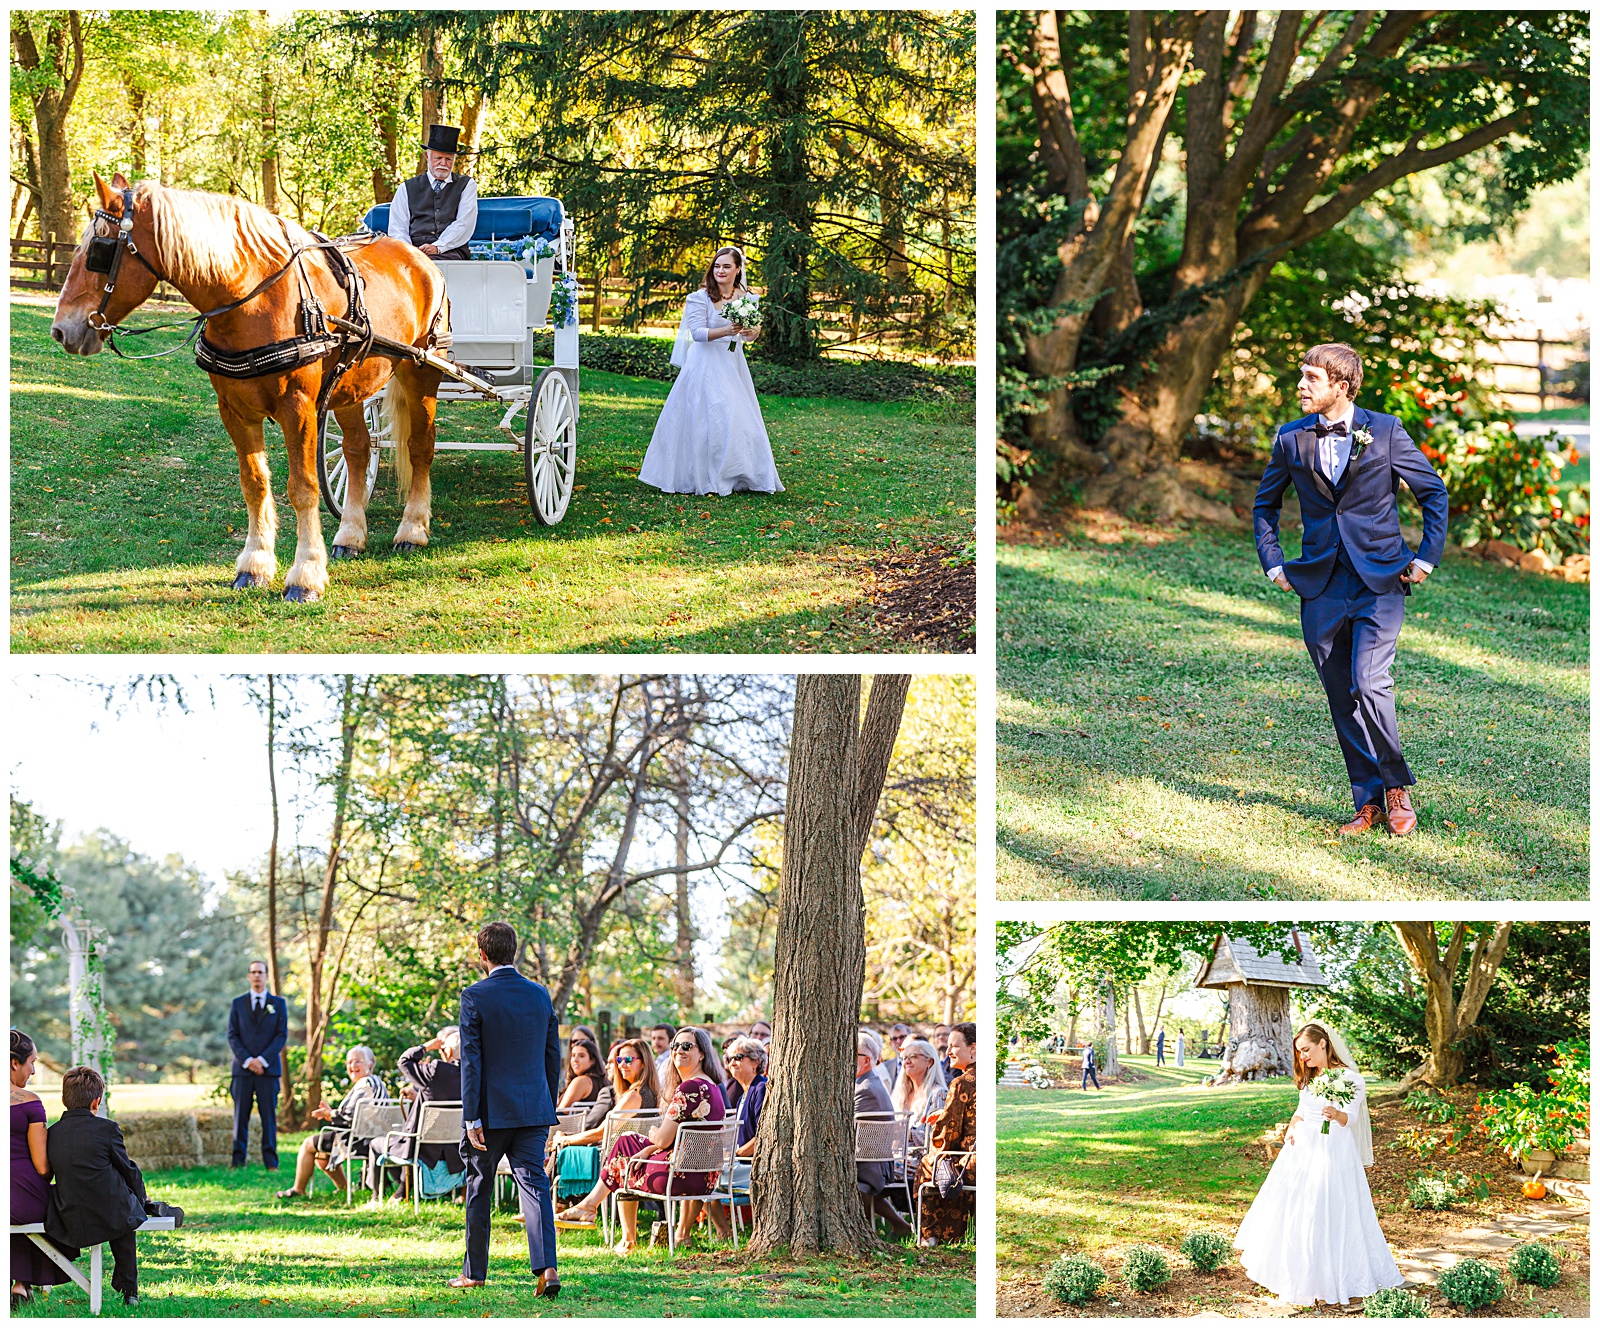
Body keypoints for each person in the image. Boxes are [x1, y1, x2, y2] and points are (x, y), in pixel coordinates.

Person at [1254, 342, 1448, 839]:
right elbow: (1265, 506)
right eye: (1301, 375)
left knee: (1369, 681)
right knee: (1342, 696)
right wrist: (1274, 564)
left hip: (1380, 580)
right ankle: (1368, 802)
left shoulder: (1384, 430)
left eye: (1311, 378)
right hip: (1319, 584)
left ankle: (1397, 789)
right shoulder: (1291, 437)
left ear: (1340, 387)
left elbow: (1432, 492)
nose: (1300, 385)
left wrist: (1425, 558)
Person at [1234, 1023, 1405, 1306]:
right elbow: (1301, 1110)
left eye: (1306, 1050)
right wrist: (1292, 1126)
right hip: (1303, 1151)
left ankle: (1341, 1278)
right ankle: (1301, 1277)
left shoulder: (1351, 1078)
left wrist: (1336, 1114)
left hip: (1334, 1152)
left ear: (1323, 1044)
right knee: (1300, 1210)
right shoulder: (1312, 1078)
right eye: (1299, 1052)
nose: (1303, 1057)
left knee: (1332, 1209)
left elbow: (1350, 1119)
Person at [454, 921, 563, 1296]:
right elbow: (553, 1056)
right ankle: (547, 1269)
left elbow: (471, 1061)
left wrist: (472, 1117)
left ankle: (475, 1273)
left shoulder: (474, 996)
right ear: (513, 951)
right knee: (534, 1186)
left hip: (491, 1114)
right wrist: (545, 1104)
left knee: (479, 1188)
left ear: (482, 955)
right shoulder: (540, 995)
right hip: (534, 1108)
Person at [638, 246, 783, 497]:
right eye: (717, 266)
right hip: (704, 364)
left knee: (738, 416)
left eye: (727, 266)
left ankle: (739, 473)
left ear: (738, 269)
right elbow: (697, 334)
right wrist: (728, 330)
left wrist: (750, 332)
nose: (721, 271)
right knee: (712, 416)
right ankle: (704, 475)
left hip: (732, 364)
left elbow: (752, 334)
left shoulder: (746, 297)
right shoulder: (700, 297)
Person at [598, 1026, 726, 1254]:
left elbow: (664, 1139)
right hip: (705, 1179)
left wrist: (653, 1135)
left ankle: (616, 1230)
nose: (679, 1050)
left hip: (677, 1178)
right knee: (631, 1150)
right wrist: (650, 1148)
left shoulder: (689, 1088)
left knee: (626, 1148)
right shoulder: (712, 1087)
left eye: (687, 1046)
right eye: (675, 1046)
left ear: (702, 1053)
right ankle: (675, 1235)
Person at [44, 1067, 148, 1308]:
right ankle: (129, 1289)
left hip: (70, 1215)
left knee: (119, 1204)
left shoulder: (52, 1133)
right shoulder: (107, 1129)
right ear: (97, 1101)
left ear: (63, 1100)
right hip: (110, 1213)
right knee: (124, 1210)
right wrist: (140, 1197)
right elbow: (126, 1169)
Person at [551, 1038, 660, 1224]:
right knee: (562, 1145)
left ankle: (546, 1206)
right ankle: (559, 1207)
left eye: (628, 1060)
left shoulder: (634, 1096)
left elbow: (602, 1132)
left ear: (643, 1063)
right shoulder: (651, 1091)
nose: (622, 1065)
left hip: (617, 1156)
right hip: (631, 1157)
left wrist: (566, 1140)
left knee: (560, 1149)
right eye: (619, 1060)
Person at [277, 1046, 389, 1199]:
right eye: (349, 1062)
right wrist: (332, 1114)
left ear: (370, 1064)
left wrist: (330, 1114)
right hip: (375, 1138)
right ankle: (343, 1189)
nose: (352, 1066)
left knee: (308, 1144)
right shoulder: (376, 1082)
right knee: (322, 1154)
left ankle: (299, 1189)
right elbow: (357, 1115)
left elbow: (349, 1116)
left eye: (358, 1061)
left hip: (360, 1140)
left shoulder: (366, 1083)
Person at [11, 1031, 71, 1309]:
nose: (33, 1071)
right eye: (32, 1062)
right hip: (22, 1193)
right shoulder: (29, 1102)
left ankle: (20, 1285)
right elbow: (42, 1166)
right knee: (38, 1206)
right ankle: (21, 1284)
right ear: (14, 1064)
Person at [371, 1028, 463, 1200]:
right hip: (455, 1149)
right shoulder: (474, 1073)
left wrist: (427, 1046)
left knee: (376, 1143)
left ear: (448, 1051)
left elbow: (404, 1061)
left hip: (420, 1148)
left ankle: (377, 1197)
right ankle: (401, 1191)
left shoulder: (435, 1070)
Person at [914, 1022, 976, 1248]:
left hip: (971, 1161)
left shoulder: (961, 1083)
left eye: (954, 1046)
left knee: (930, 1163)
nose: (948, 1051)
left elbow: (947, 1134)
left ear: (973, 1049)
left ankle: (930, 1236)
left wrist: (936, 1143)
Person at [227, 959, 288, 1170]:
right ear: (248, 976)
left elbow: (281, 1036)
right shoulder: (237, 1003)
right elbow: (232, 1035)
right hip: (242, 1071)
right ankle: (237, 1161)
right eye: (253, 972)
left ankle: (271, 1162)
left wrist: (262, 1060)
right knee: (240, 1117)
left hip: (268, 1070)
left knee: (268, 1119)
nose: (256, 976)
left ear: (266, 976)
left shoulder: (278, 1004)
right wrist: (248, 1061)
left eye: (260, 972)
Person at [387, 124, 478, 261]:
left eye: (448, 159)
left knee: (435, 268)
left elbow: (464, 223)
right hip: (412, 252)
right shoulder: (406, 187)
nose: (443, 163)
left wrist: (438, 247)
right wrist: (410, 252)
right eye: (438, 158)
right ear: (427, 156)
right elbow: (398, 228)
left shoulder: (466, 185)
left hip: (449, 251)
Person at [704, 1035, 766, 1239]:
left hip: (755, 1165)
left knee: (703, 1179)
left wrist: (737, 1153)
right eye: (729, 1058)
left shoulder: (761, 1088)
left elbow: (764, 1136)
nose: (732, 1063)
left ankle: (720, 1232)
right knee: (700, 1174)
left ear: (756, 1062)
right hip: (741, 1161)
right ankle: (723, 1231)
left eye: (738, 1057)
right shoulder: (743, 1094)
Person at [856, 1030, 913, 1238]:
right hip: (867, 1160)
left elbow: (848, 1132)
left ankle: (867, 1233)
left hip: (871, 1165)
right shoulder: (864, 1084)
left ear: (866, 1061)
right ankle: (899, 1226)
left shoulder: (866, 1089)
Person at [892, 1037, 948, 1151]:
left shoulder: (939, 1094)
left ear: (930, 1062)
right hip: (894, 1160)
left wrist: (906, 1133)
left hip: (920, 1164)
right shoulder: (901, 1094)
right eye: (904, 1057)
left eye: (913, 1056)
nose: (907, 1061)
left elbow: (939, 1140)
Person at [558, 1039, 603, 1110]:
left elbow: (561, 1112)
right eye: (573, 1055)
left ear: (592, 1060)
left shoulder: (582, 1081)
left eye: (581, 1056)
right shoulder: (600, 1081)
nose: (575, 1059)